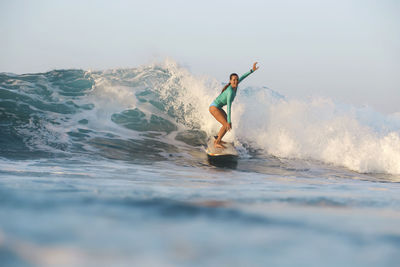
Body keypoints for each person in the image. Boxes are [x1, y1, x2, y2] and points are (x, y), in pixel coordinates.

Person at [209, 62, 259, 148]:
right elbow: (229, 106)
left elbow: (243, 76)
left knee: (227, 125)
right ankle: (216, 142)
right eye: (233, 80)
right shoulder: (230, 92)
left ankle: (218, 139)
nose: (235, 81)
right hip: (214, 108)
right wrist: (228, 121)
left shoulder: (235, 86)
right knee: (226, 124)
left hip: (217, 107)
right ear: (230, 81)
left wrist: (252, 70)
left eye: (236, 79)